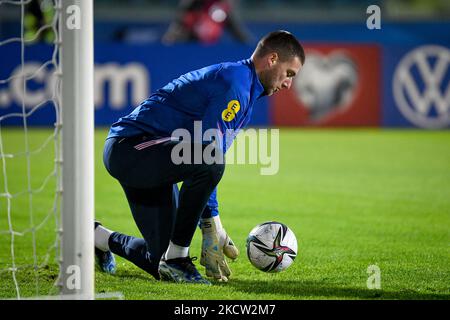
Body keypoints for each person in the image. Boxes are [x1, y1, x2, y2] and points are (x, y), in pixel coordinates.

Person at [95, 30, 305, 284]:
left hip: (155, 153)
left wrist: (213, 223)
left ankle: (98, 237)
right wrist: (211, 222)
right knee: (211, 160)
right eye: (289, 73)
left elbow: (202, 153)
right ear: (272, 59)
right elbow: (207, 153)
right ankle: (178, 260)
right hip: (130, 148)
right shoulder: (235, 84)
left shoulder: (245, 86)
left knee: (158, 260)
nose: (288, 83)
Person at [162, 0, 253, 45]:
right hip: (189, 50)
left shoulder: (224, 9)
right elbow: (172, 35)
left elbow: (240, 35)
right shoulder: (190, 6)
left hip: (210, 52)